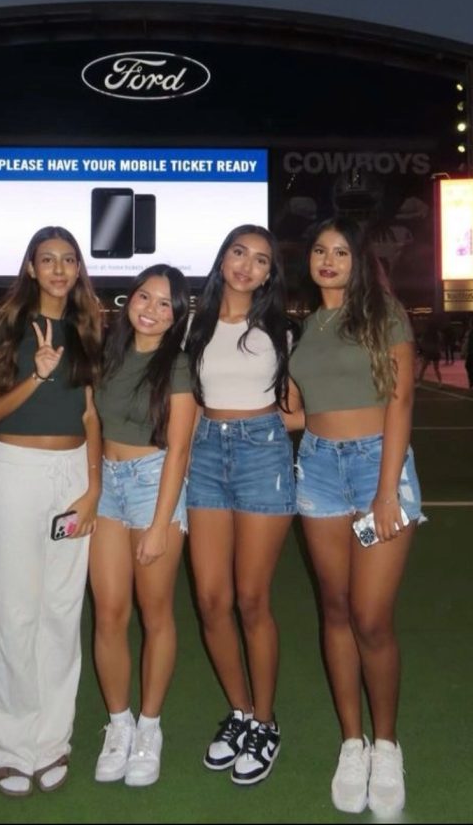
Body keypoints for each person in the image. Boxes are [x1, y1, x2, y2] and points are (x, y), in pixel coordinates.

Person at [286, 217, 422, 816]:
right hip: (316, 468)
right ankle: (352, 742)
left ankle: (387, 744)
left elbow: (401, 399)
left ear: (358, 261)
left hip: (377, 470)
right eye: (320, 250)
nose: (328, 259)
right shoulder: (305, 327)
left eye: (340, 251)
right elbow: (295, 414)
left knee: (371, 618)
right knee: (335, 609)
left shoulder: (385, 314)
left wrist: (387, 490)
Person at [0, 226, 102, 798]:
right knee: (16, 611)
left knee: (60, 610)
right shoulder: (5, 328)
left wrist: (93, 488)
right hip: (16, 475)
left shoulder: (88, 329)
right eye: (46, 259)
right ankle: (10, 744)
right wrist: (37, 376)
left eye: (67, 259)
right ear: (30, 267)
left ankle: (52, 741)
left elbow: (92, 417)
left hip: (72, 477)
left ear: (78, 269)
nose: (57, 268)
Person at [185, 224, 295, 786]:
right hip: (204, 455)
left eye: (260, 260)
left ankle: (266, 722)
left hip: (262, 457)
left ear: (270, 273)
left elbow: (298, 408)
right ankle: (240, 711)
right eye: (238, 253)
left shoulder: (279, 328)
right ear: (223, 258)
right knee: (210, 599)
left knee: (252, 599)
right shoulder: (193, 323)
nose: (246, 266)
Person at [89, 265, 195, 788]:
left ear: (177, 317)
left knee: (156, 614)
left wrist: (159, 524)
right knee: (109, 612)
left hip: (155, 484)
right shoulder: (109, 353)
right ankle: (119, 723)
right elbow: (91, 424)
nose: (150, 309)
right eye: (144, 296)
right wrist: (91, 489)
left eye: (164, 304)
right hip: (107, 483)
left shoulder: (177, 366)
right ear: (129, 299)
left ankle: (150, 727)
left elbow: (179, 450)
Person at [415, 319, 442, 383]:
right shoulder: (437, 334)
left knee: (423, 368)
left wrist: (422, 349)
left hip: (429, 352)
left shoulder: (426, 333)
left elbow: (422, 342)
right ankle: (440, 383)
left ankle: (419, 382)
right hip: (435, 352)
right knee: (436, 369)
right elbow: (440, 342)